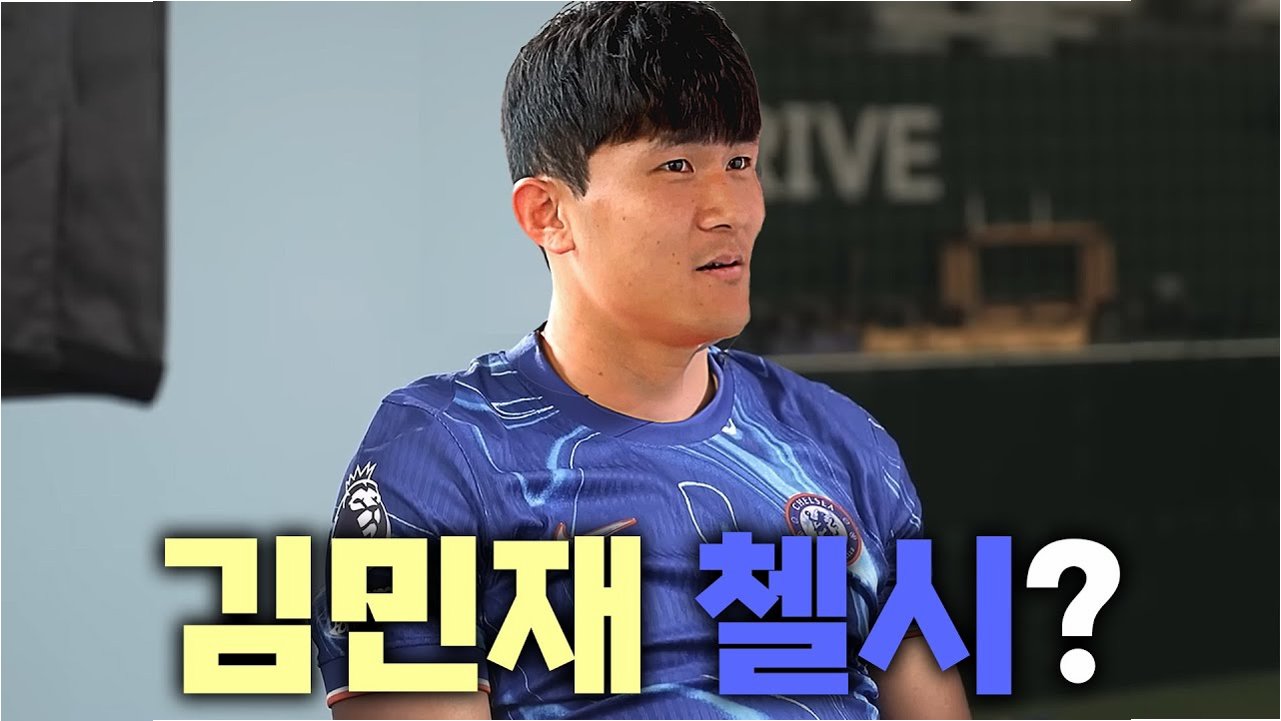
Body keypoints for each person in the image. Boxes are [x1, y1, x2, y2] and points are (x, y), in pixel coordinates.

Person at [313, 3, 970, 719]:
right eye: (676, 166)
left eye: (740, 163)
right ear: (547, 214)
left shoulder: (845, 441)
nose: (728, 209)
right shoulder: (436, 455)